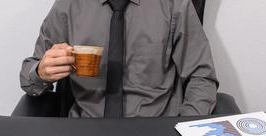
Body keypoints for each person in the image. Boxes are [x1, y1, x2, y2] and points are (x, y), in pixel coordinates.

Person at [20, 0, 218, 118]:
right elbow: (28, 77)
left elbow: (202, 77)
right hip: (86, 131)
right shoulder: (69, 5)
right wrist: (41, 72)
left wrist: (182, 130)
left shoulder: (174, 4)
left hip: (157, 131)